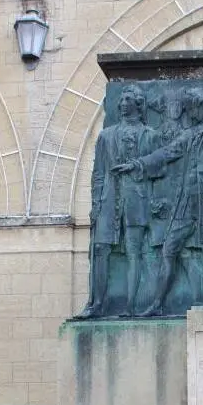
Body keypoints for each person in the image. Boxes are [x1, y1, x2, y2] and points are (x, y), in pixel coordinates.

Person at [112, 86, 203, 316]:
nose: (187, 114)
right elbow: (167, 152)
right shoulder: (191, 133)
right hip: (186, 201)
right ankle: (157, 304)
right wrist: (138, 164)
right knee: (169, 249)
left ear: (200, 106)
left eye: (190, 109)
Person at [75, 84, 158, 318]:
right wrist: (96, 204)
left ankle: (131, 306)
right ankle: (97, 304)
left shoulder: (150, 135)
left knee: (134, 251)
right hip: (109, 200)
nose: (122, 104)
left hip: (137, 201)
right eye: (121, 100)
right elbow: (98, 173)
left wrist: (138, 169)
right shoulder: (106, 136)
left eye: (128, 99)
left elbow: (159, 169)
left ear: (138, 104)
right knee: (101, 249)